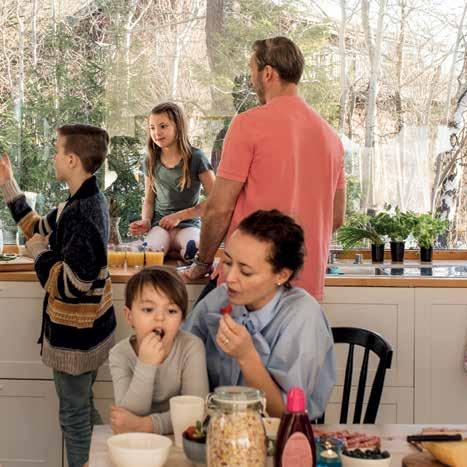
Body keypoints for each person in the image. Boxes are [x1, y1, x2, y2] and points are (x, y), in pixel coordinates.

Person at [184, 37, 345, 301]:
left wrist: (202, 263)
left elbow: (219, 208)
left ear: (267, 73)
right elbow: (336, 217)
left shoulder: (248, 125)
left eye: (251, 70)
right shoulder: (330, 137)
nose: (250, 80)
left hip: (249, 287)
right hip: (304, 292)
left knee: (199, 333)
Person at [0, 124, 116, 467]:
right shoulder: (78, 202)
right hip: (88, 334)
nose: (52, 157)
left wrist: (38, 253)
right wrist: (8, 181)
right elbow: (36, 229)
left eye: (56, 150)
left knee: (75, 420)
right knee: (81, 411)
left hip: (75, 341)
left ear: (71, 159)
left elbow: (70, 284)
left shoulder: (83, 213)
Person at [183, 209, 335, 420]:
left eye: (246, 271)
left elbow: (287, 415)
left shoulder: (303, 317)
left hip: (281, 438)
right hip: (218, 431)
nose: (231, 277)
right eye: (227, 262)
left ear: (282, 275)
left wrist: (246, 355)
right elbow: (180, 354)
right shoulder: (219, 299)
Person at [109, 266, 208, 434]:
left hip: (179, 441)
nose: (160, 317)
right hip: (136, 444)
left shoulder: (191, 348)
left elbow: (196, 414)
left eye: (171, 311)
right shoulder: (120, 354)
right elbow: (127, 419)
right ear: (129, 316)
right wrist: (145, 365)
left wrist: (145, 425)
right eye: (148, 309)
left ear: (182, 319)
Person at [129, 102, 215, 261]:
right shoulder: (150, 159)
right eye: (152, 127)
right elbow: (149, 200)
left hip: (188, 226)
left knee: (195, 249)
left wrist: (180, 216)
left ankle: (183, 252)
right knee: (148, 256)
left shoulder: (196, 158)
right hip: (160, 227)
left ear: (178, 127)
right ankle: (166, 250)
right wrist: (146, 221)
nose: (156, 133)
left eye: (163, 126)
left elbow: (217, 200)